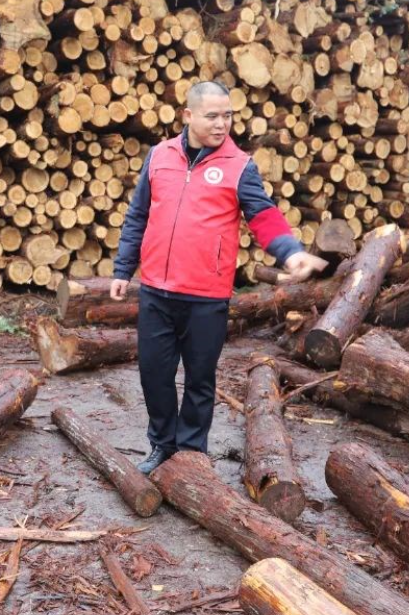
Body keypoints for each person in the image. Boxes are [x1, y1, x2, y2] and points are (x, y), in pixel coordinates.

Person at [110, 81, 326, 474]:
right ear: (188, 116)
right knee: (154, 373)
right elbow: (138, 214)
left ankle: (191, 452)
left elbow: (262, 214)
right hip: (157, 290)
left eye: (227, 115)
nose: (222, 123)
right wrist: (123, 268)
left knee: (199, 378)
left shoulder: (239, 165)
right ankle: (161, 444)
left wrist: (290, 252)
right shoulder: (159, 156)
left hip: (206, 295)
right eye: (212, 115)